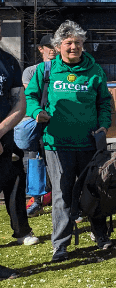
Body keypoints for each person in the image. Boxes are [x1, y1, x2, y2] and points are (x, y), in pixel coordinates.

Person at [26, 21, 112, 262]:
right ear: (58, 46)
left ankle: (100, 235)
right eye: (68, 43)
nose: (74, 47)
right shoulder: (46, 71)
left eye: (78, 42)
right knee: (62, 194)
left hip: (89, 142)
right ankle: (60, 244)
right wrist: (35, 112)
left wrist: (104, 123)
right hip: (56, 143)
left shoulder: (95, 70)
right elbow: (29, 96)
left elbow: (105, 101)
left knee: (94, 191)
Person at [0, 21, 38, 253]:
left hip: (6, 137)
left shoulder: (9, 62)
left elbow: (20, 103)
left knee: (14, 181)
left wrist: (1, 131)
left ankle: (22, 230)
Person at [21, 34, 56, 218]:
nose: (52, 50)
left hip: (58, 121)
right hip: (37, 122)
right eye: (47, 46)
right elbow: (30, 95)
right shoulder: (31, 71)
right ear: (40, 49)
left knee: (58, 161)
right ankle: (36, 200)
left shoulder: (62, 69)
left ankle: (63, 199)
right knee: (35, 160)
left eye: (54, 46)